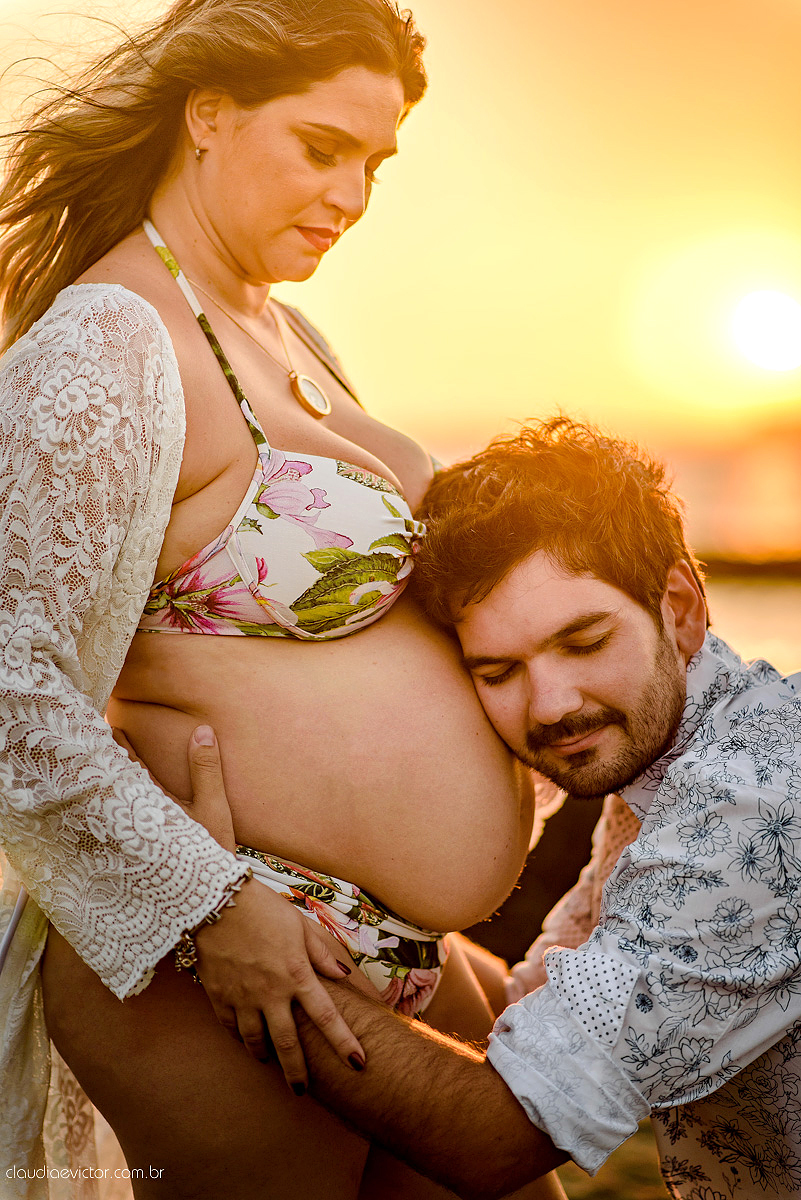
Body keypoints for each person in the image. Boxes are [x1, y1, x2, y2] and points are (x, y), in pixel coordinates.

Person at [0, 3, 568, 1198]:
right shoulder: (109, 344)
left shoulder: (281, 327)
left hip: (394, 948)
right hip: (230, 956)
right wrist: (212, 908)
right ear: (208, 115)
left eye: (377, 161)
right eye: (323, 148)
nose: (355, 195)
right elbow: (11, 685)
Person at [204, 416, 797, 1200]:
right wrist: (350, 910)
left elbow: (493, 1138)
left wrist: (216, 920)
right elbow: (540, 1006)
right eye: (496, 670)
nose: (551, 706)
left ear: (680, 606)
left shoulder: (746, 806)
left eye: (582, 642)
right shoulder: (675, 768)